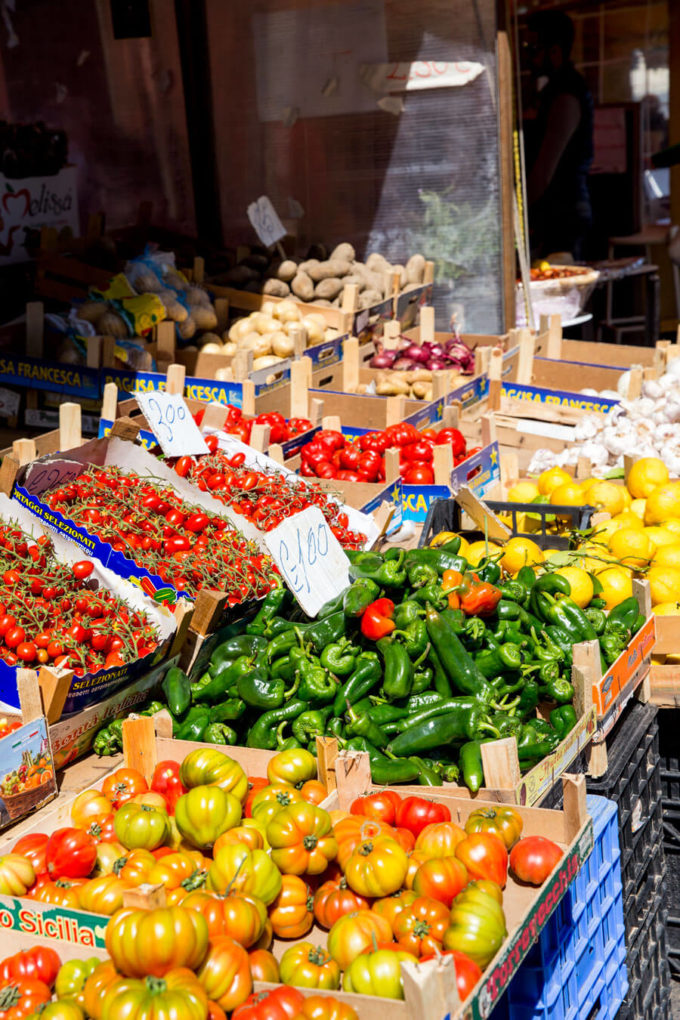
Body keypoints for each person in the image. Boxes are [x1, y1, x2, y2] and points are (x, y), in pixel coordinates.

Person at [524, 11, 594, 260]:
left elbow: (545, 167)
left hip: (564, 215)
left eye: (532, 48)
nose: (527, 56)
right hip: (556, 212)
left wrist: (518, 213)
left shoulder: (567, 94)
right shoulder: (552, 91)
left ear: (554, 52)